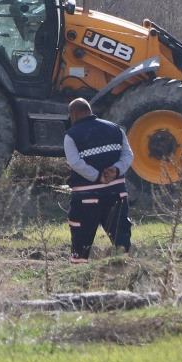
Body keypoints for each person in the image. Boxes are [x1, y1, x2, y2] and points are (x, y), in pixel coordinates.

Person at [62, 97, 133, 262]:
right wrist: (116, 170)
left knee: (81, 245)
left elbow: (75, 162)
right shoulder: (115, 129)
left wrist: (97, 176)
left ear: (73, 114)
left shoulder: (71, 136)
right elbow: (128, 155)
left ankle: (78, 281)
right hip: (116, 195)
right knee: (121, 241)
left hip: (87, 200)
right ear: (89, 111)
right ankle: (125, 274)